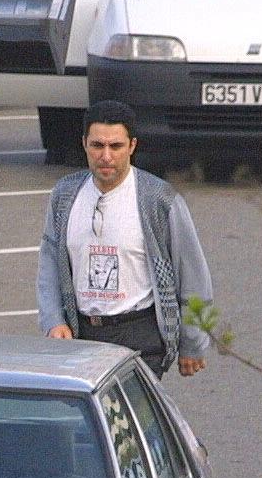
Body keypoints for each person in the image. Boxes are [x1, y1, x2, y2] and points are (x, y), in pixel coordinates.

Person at [37, 99, 210, 378]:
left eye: (115, 146)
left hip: (140, 336)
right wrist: (53, 321)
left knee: (133, 421)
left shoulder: (159, 199)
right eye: (97, 146)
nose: (106, 156)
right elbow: (49, 264)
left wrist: (193, 343)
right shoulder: (65, 195)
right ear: (84, 144)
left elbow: (192, 276)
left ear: (132, 146)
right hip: (83, 335)